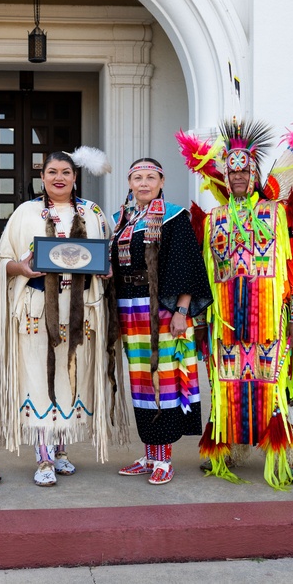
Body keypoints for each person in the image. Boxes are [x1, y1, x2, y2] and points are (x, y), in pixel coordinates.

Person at [176, 113, 293, 490]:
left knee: (278, 387)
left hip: (271, 319)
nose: (238, 177)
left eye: (244, 171)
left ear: (254, 174)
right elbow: (204, 274)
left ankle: (287, 455)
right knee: (226, 384)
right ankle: (228, 450)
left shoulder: (278, 214)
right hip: (226, 322)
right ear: (225, 177)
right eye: (232, 172)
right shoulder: (214, 219)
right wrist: (202, 321)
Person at [0, 148, 128, 486]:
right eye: (52, 171)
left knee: (73, 377)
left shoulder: (93, 213)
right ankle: (43, 457)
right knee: (39, 378)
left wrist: (107, 270)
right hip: (38, 309)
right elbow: (2, 260)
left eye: (65, 171)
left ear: (75, 176)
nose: (59, 177)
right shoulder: (26, 213)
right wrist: (20, 267)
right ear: (42, 177)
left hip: (81, 309)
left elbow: (105, 255)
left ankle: (62, 450)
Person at [110, 157, 212, 485]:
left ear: (161, 181)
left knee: (164, 381)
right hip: (130, 311)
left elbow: (187, 265)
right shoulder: (119, 221)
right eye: (137, 177)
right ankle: (149, 452)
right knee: (141, 383)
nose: (143, 183)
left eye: (150, 177)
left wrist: (182, 311)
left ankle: (164, 458)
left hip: (164, 311)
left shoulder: (175, 217)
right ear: (129, 182)